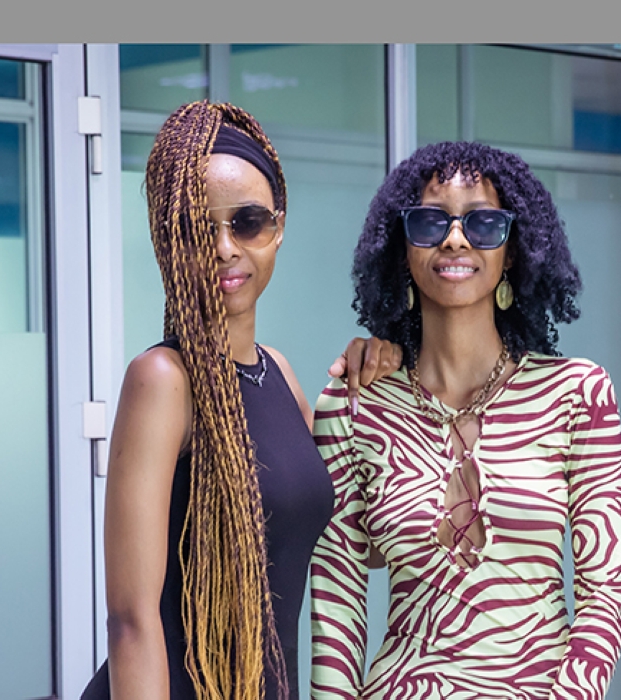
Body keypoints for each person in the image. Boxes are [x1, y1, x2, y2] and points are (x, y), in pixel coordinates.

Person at [81, 101, 401, 700]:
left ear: (278, 229)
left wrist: (387, 385)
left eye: (247, 222)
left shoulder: (277, 372)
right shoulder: (162, 380)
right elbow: (131, 620)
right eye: (201, 228)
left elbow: (365, 539)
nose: (226, 248)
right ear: (168, 240)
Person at [308, 141, 621, 700]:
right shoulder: (353, 405)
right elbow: (338, 597)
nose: (455, 239)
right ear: (400, 247)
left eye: (483, 223)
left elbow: (605, 595)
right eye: (431, 221)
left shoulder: (578, 394)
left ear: (516, 248)